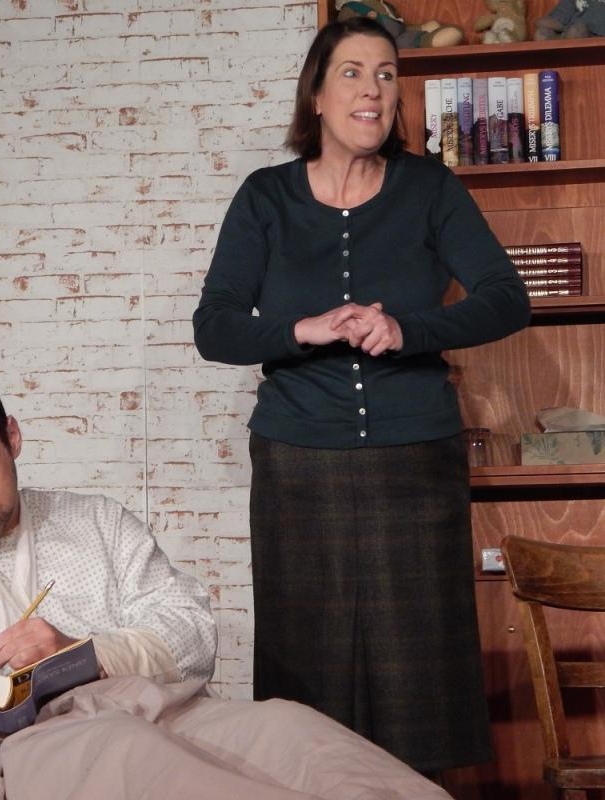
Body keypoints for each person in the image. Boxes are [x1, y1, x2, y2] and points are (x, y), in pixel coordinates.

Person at [0, 367, 452, 799]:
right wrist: (61, 676)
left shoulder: (96, 520)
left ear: (13, 437)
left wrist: (82, 652)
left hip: (160, 705)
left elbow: (192, 634)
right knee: (139, 757)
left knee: (292, 731)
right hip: (41, 740)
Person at [192, 17, 531, 777]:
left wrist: (408, 329)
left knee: (420, 670)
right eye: (351, 72)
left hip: (415, 462)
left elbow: (507, 298)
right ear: (316, 94)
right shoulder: (266, 198)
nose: (371, 89)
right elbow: (214, 327)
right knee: (307, 667)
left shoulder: (431, 189)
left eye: (385, 73)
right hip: (297, 462)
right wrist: (302, 329)